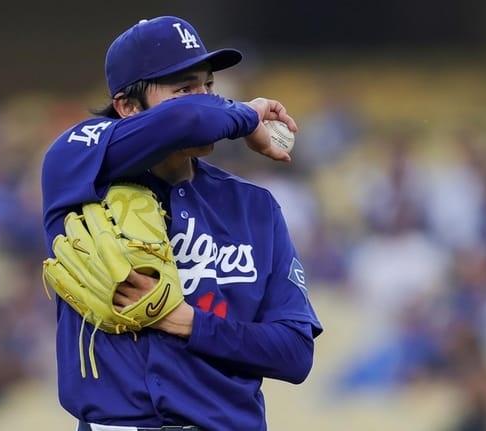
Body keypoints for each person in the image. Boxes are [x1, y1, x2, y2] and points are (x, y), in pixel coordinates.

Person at [40, 16, 323, 431]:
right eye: (185, 88)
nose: (205, 99)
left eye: (209, 85)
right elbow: (184, 121)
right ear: (128, 107)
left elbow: (295, 355)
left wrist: (186, 322)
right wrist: (246, 114)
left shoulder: (253, 206)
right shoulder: (78, 169)